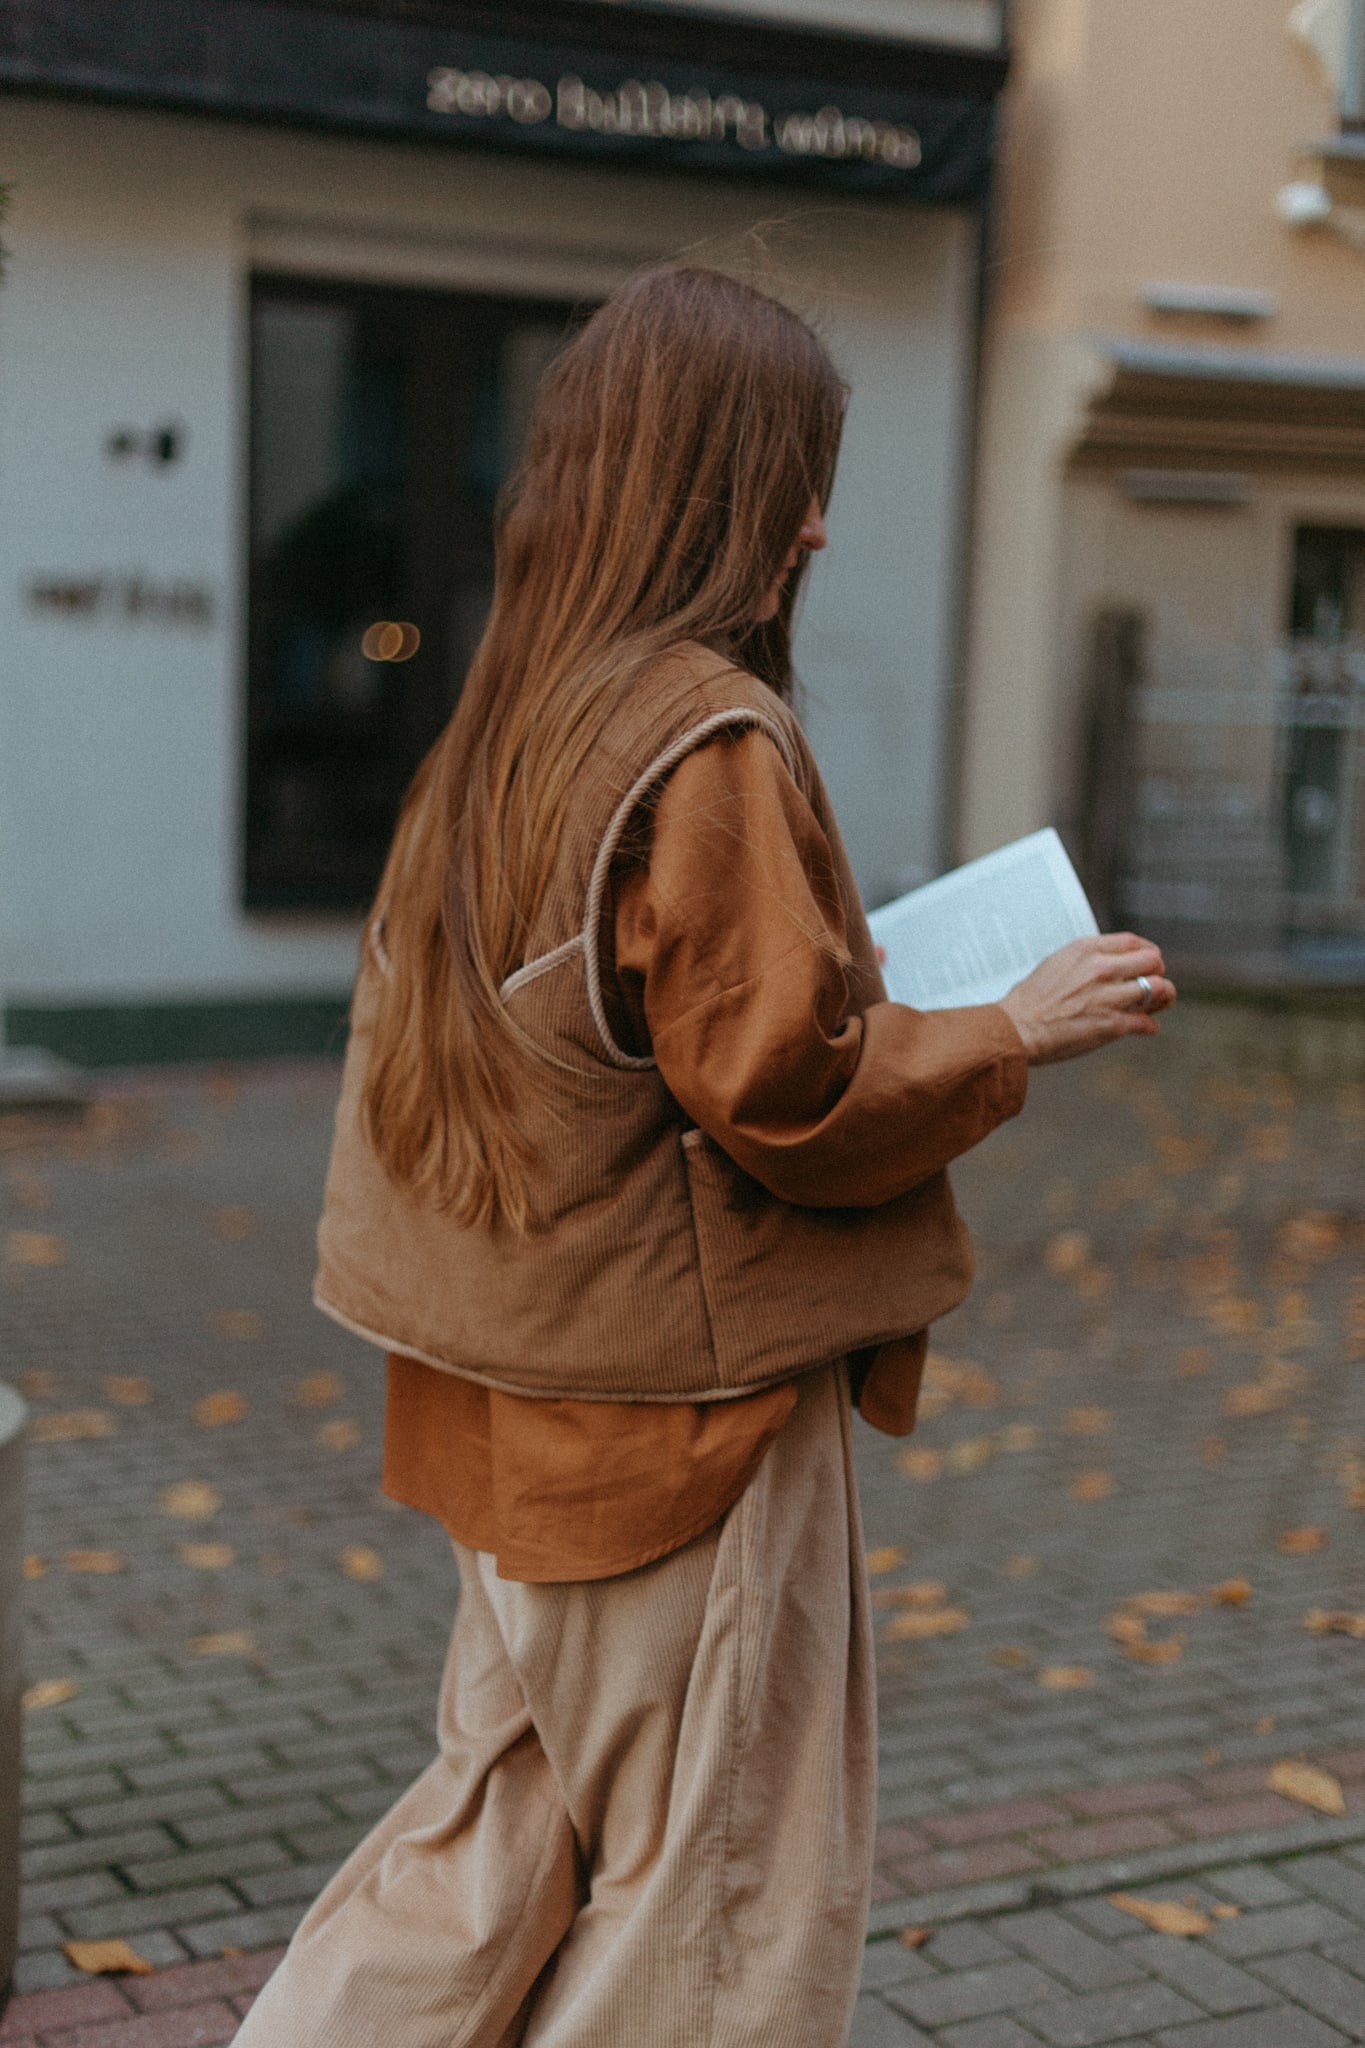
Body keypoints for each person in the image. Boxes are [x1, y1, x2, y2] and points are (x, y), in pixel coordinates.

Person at [234, 265, 1174, 2048]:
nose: (817, 520)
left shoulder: (505, 716)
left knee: (484, 1849)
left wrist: (853, 987)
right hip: (676, 1417)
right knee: (717, 1907)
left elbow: (601, 1042)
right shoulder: (702, 735)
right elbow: (787, 1095)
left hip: (504, 1398)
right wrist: (1010, 1028)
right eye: (790, 474)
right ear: (704, 488)